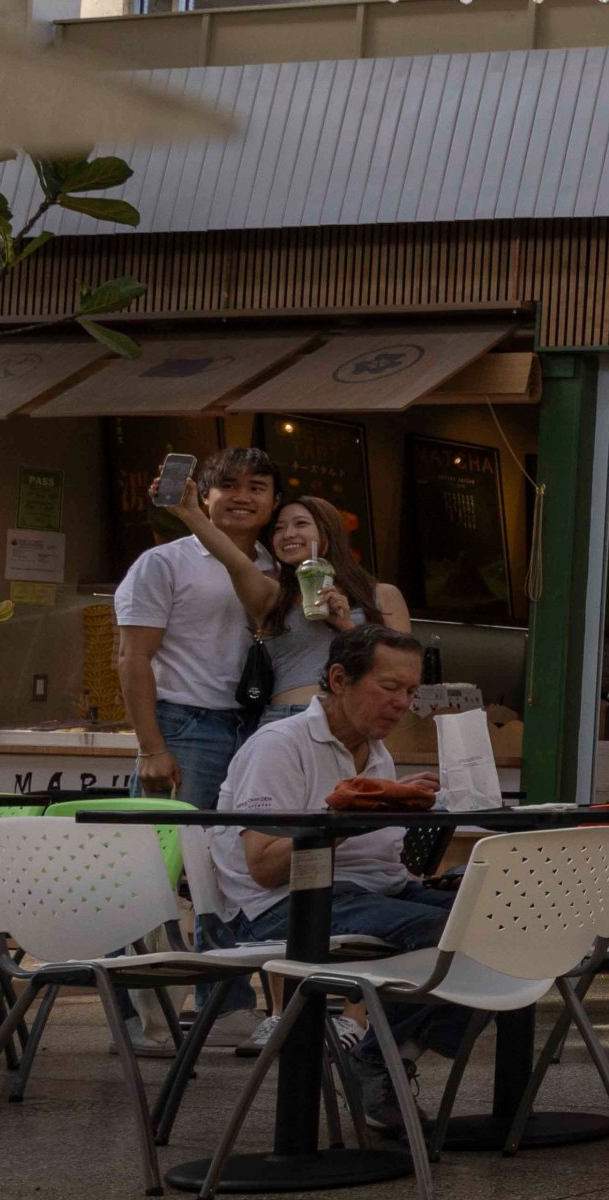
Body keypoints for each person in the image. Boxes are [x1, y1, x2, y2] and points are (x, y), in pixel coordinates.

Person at [206, 623, 453, 1131]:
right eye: (389, 687)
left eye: (410, 691)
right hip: (285, 905)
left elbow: (380, 863)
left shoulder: (376, 751)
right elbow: (265, 867)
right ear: (339, 679)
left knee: (503, 918)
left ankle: (386, 1055)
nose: (403, 702)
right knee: (445, 934)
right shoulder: (281, 744)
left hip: (368, 892)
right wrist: (354, 815)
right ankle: (380, 1060)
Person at [114, 444, 284, 804]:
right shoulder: (163, 563)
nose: (242, 497)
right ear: (205, 496)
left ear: (274, 501)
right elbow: (133, 656)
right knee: (169, 852)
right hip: (185, 727)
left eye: (256, 488)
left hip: (260, 727)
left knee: (233, 855)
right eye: (228, 485)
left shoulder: (281, 571)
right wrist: (151, 748)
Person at [257, 496, 412, 706]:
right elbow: (233, 561)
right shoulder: (271, 595)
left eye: (300, 523)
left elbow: (405, 669)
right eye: (278, 528)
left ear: (329, 531)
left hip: (352, 724)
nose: (288, 534)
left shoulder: (382, 594)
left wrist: (347, 627)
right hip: (283, 720)